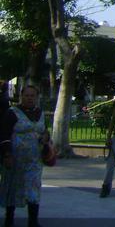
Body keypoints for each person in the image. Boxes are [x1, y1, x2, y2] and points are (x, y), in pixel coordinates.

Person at [0, 85, 50, 227]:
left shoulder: (40, 113)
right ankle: (9, 219)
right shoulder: (12, 113)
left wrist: (45, 137)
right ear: (21, 96)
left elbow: (45, 131)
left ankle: (33, 221)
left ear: (37, 97)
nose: (29, 98)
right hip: (15, 159)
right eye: (27, 95)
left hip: (35, 159)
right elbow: (4, 134)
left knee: (34, 189)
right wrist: (7, 154)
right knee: (13, 188)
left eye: (32, 96)